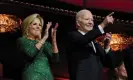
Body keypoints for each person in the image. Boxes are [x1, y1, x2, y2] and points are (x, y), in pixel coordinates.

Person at [66, 9, 118, 80]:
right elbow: (83, 40)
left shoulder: (95, 43)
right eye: (87, 19)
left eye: (92, 20)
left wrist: (106, 46)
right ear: (78, 23)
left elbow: (109, 64)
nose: (91, 22)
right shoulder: (73, 36)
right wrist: (103, 24)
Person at [17, 13, 59, 80]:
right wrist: (44, 37)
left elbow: (55, 59)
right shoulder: (22, 40)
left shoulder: (45, 43)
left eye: (40, 25)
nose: (38, 27)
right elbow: (31, 54)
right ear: (28, 26)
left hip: (48, 77)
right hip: (32, 76)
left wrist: (54, 40)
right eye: (34, 24)